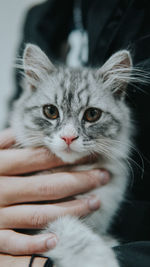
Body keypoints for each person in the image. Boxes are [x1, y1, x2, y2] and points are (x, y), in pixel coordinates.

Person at [1, 0, 150, 266]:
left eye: (91, 115)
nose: (69, 134)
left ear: (118, 95)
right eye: (51, 112)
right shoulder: (41, 18)